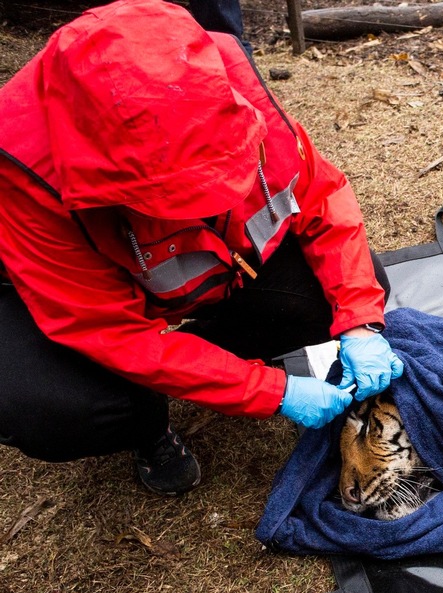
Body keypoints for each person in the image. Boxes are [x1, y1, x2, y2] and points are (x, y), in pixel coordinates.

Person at [0, 0, 404, 496]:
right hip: (56, 297)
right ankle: (147, 426)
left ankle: (207, 359)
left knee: (347, 293)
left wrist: (360, 321)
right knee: (60, 409)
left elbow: (321, 196)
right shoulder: (26, 173)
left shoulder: (229, 84)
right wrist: (270, 392)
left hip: (208, 276)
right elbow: (108, 329)